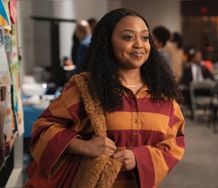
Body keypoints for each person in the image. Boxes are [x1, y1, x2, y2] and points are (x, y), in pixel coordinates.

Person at [25, 8, 185, 188]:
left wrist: (139, 157)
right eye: (128, 37)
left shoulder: (163, 96)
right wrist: (83, 146)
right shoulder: (86, 88)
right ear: (108, 42)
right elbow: (42, 128)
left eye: (145, 37)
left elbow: (175, 143)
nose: (139, 44)